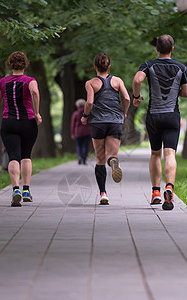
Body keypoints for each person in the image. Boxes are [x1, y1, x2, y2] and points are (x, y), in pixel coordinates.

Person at [132, 35, 187, 210]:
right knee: (170, 154)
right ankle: (169, 188)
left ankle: (156, 192)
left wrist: (136, 97)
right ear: (172, 48)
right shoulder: (182, 68)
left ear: (157, 49)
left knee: (155, 154)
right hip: (172, 116)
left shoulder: (148, 65)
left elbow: (137, 80)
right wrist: (176, 93)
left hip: (154, 116)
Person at [0, 51, 42, 207]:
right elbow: (34, 91)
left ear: (10, 65)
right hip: (28, 122)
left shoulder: (3, 82)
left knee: (13, 157)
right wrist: (37, 113)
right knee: (26, 156)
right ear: (25, 64)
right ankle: (26, 190)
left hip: (9, 122)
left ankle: (16, 189)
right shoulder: (30, 81)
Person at [81, 53, 130, 205]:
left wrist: (84, 116)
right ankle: (113, 161)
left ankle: (103, 194)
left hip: (98, 123)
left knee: (99, 159)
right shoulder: (117, 81)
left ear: (94, 66)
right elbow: (127, 98)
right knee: (111, 155)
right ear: (109, 66)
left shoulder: (91, 83)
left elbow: (89, 103)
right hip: (115, 121)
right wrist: (124, 112)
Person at [71, 99, 92, 165]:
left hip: (78, 132)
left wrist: (72, 133)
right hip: (87, 131)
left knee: (78, 146)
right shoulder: (88, 113)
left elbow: (72, 124)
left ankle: (79, 156)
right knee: (85, 146)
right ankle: (84, 159)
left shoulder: (75, 113)